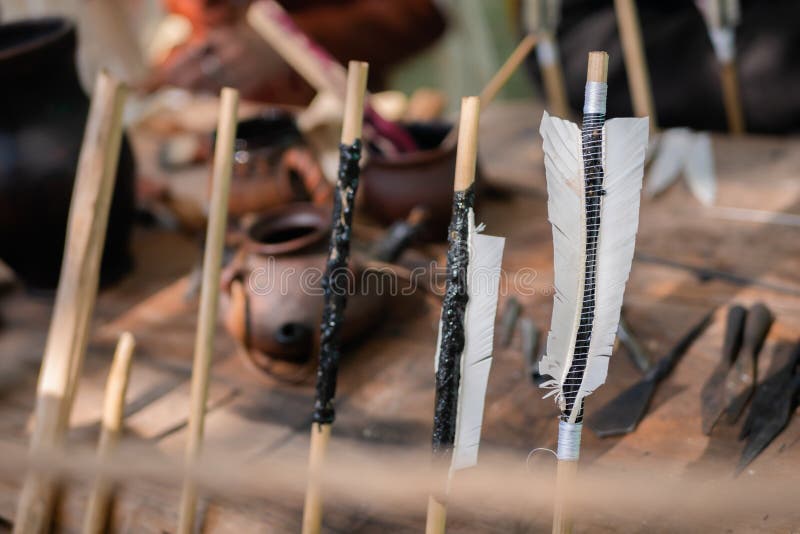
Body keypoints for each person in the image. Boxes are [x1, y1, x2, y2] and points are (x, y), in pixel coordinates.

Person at [152, 0, 447, 104]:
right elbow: (195, 18)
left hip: (347, 127)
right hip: (241, 138)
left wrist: (285, 41)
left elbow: (420, 14)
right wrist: (189, 56)